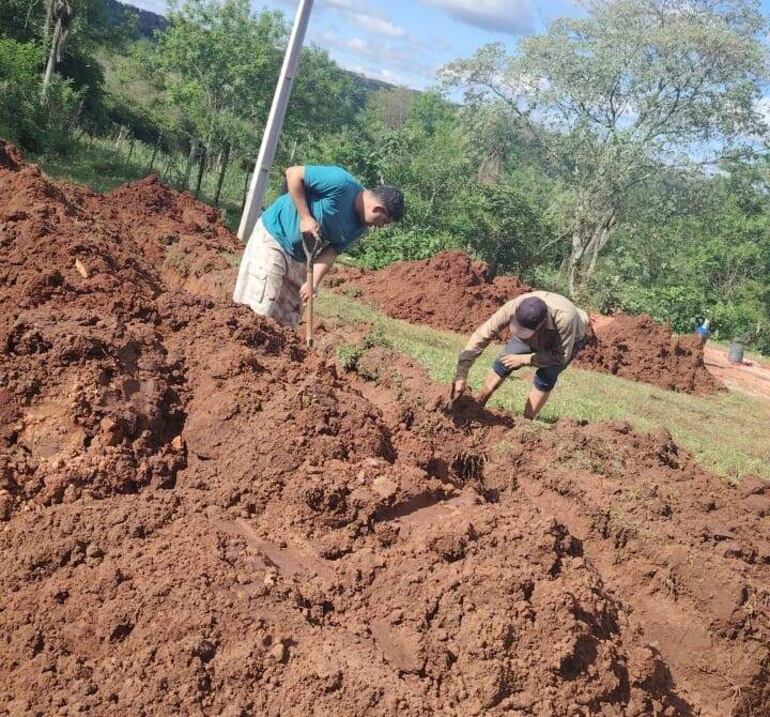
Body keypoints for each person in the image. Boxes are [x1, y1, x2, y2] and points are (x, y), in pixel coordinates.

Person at [233, 165, 404, 327]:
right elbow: (293, 173)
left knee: (287, 320)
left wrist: (312, 282)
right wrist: (305, 217)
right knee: (258, 310)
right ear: (378, 209)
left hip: (301, 257)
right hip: (273, 238)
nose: (381, 226)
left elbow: (331, 252)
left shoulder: (360, 227)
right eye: (384, 222)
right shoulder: (340, 183)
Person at [450, 291, 589, 419]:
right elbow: (483, 334)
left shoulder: (565, 318)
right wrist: (461, 374)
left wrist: (525, 359)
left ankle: (526, 422)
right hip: (535, 330)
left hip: (568, 339)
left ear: (541, 325)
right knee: (504, 361)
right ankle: (479, 402)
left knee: (546, 375)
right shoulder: (515, 306)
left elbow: (560, 356)